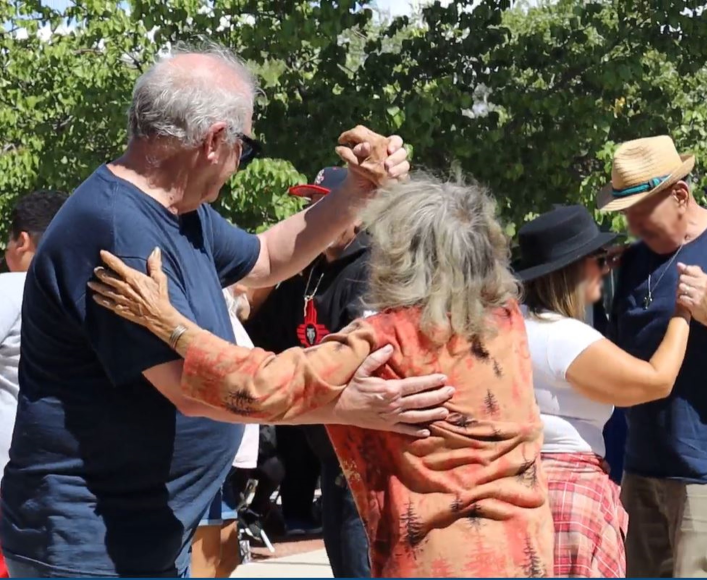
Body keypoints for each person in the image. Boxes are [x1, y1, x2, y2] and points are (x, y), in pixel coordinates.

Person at [0, 44, 452, 579]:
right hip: (90, 546)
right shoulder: (118, 233)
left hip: (139, 535)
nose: (240, 163)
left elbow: (266, 258)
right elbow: (197, 390)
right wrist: (345, 403)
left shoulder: (181, 211)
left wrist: (357, 192)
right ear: (216, 141)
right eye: (246, 146)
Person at [87, 173, 555, 578]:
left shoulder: (391, 335)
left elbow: (259, 385)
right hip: (525, 548)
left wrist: (169, 323)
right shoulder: (506, 323)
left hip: (441, 556)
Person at [599, 135, 707, 577]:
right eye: (626, 214)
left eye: (641, 212)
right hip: (640, 471)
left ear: (681, 195)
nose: (633, 225)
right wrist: (590, 285)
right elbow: (616, 356)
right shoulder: (632, 263)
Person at [515, 204, 692, 577]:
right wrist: (683, 313)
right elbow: (656, 380)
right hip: (568, 497)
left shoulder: (512, 325)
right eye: (599, 260)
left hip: (525, 484)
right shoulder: (564, 336)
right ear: (573, 271)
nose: (607, 268)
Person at [246, 167, 371, 576]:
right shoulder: (309, 272)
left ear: (358, 212)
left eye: (327, 205)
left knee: (359, 564)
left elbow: (357, 361)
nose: (316, 216)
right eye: (311, 206)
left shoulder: (372, 267)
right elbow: (262, 335)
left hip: (363, 453)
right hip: (327, 450)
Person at [0, 191, 68, 580]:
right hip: (61, 477)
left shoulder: (12, 287)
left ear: (22, 240)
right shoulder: (80, 294)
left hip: (7, 470)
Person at [190, 288, 260, 578]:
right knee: (204, 562)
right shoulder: (202, 303)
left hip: (229, 456)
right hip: (205, 451)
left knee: (227, 556)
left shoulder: (226, 311)